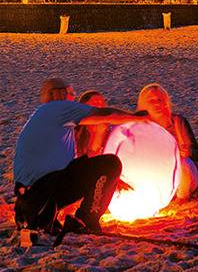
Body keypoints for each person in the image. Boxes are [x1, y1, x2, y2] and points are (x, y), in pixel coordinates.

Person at [13, 78, 148, 236]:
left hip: (29, 197)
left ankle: (46, 217)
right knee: (110, 164)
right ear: (58, 93)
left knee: (82, 166)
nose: (74, 96)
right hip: (45, 189)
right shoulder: (59, 107)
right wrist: (138, 117)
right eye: (71, 92)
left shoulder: (42, 116)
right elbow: (106, 114)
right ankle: (87, 218)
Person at [137, 83, 198, 202]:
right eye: (151, 101)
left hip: (184, 176)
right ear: (144, 105)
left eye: (160, 100)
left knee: (183, 163)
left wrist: (188, 152)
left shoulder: (178, 122)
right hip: (158, 175)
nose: (157, 104)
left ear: (166, 102)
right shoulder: (140, 127)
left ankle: (181, 198)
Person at [75, 90, 110, 158]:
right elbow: (89, 157)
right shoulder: (75, 131)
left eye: (102, 102)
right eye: (95, 102)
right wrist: (99, 133)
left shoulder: (112, 129)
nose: (100, 106)